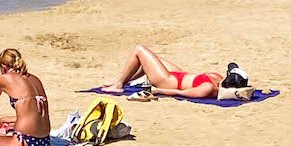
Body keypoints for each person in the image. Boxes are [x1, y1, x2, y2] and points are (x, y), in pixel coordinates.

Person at [103, 45, 241, 100]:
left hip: (167, 81)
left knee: (140, 50)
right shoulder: (217, 78)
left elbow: (180, 93)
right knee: (151, 59)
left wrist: (157, 90)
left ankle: (119, 85)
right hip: (178, 75)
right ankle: (121, 81)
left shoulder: (207, 88)